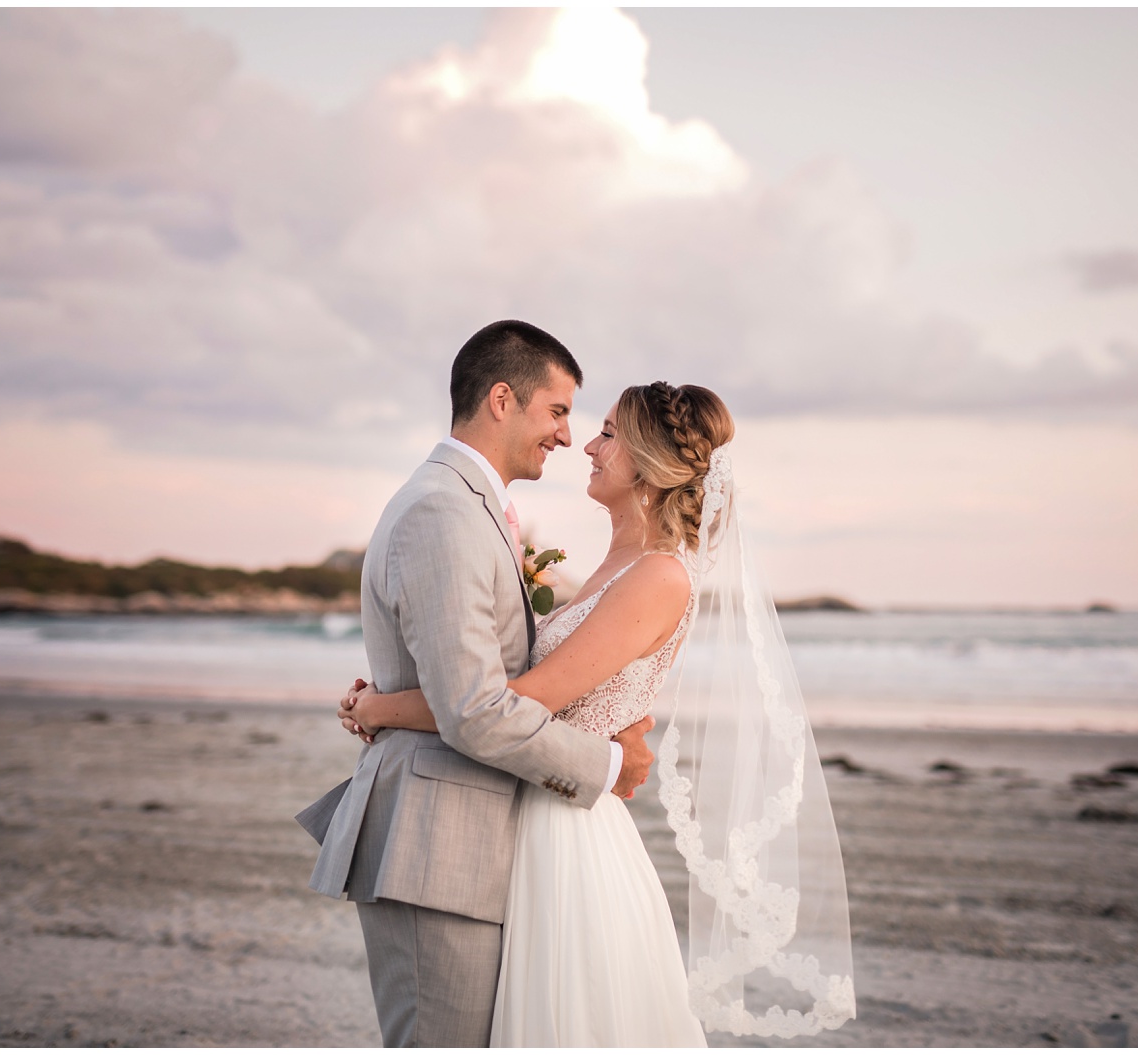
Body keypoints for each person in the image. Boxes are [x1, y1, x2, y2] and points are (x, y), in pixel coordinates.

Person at [342, 382, 857, 1045]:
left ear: (647, 460)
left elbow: (516, 703)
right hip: (533, 816)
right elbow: (511, 693)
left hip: (568, 834)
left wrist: (378, 707)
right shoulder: (616, 566)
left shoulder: (658, 577)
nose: (587, 443)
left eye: (608, 433)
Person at [295, 321, 657, 1048]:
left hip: (464, 842)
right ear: (501, 399)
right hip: (436, 845)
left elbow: (477, 685)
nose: (566, 435)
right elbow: (475, 710)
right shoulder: (444, 510)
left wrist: (383, 704)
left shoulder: (471, 507)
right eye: (556, 410)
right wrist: (610, 764)